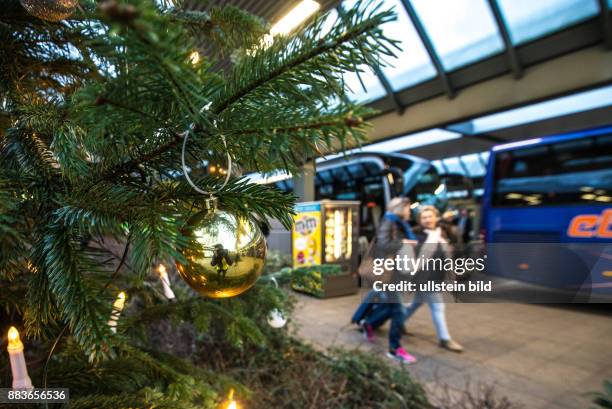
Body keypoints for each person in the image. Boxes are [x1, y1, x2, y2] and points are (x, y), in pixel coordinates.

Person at [351, 197, 417, 364]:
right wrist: (404, 242)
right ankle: (395, 349)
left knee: (390, 308)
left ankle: (369, 323)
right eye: (408, 208)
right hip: (390, 275)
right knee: (399, 310)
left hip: (398, 273)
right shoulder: (389, 221)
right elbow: (384, 246)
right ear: (400, 208)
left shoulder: (400, 223)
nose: (409, 211)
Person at [404, 205, 463, 352]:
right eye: (424, 217)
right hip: (424, 277)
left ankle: (397, 322)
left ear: (436, 217)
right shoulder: (417, 235)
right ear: (420, 220)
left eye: (430, 216)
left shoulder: (442, 233)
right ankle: (445, 339)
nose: (427, 219)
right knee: (438, 306)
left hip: (436, 276)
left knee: (416, 303)